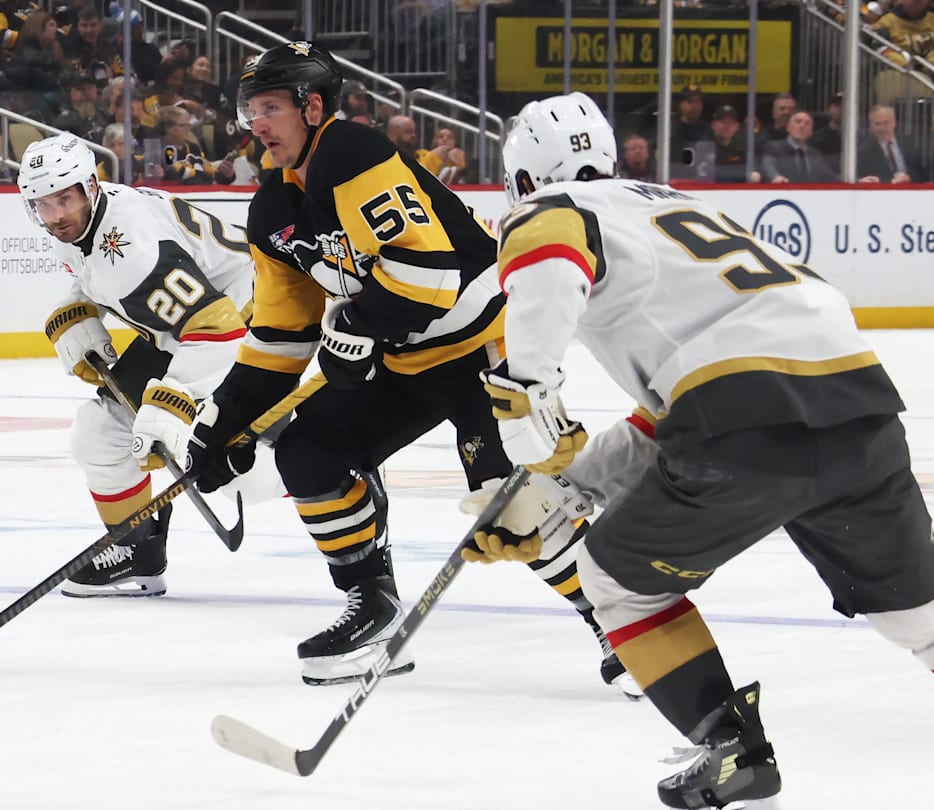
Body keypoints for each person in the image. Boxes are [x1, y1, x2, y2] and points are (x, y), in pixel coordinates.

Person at [488, 90, 934, 810]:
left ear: (524, 178)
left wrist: (528, 394)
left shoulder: (551, 210)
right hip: (856, 406)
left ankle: (730, 748)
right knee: (932, 616)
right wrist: (574, 481)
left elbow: (547, 254)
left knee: (613, 577)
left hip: (739, 422)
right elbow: (671, 408)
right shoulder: (677, 209)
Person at [185, 43, 636, 694]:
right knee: (310, 451)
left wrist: (357, 326)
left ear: (313, 107)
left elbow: (430, 273)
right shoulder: (274, 212)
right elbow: (283, 336)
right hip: (407, 353)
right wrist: (227, 421)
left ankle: (621, 622)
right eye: (249, 109)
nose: (256, 123)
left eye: (270, 107)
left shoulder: (352, 153)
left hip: (486, 339)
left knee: (511, 501)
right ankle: (374, 605)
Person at [16, 132, 260, 598]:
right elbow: (96, 278)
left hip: (250, 324)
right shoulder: (83, 223)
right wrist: (78, 310)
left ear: (89, 186)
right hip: (187, 329)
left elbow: (218, 328)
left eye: (63, 199)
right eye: (42, 205)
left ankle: (346, 484)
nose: (55, 216)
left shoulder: (132, 250)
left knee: (243, 468)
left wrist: (175, 400)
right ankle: (135, 551)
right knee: (100, 433)